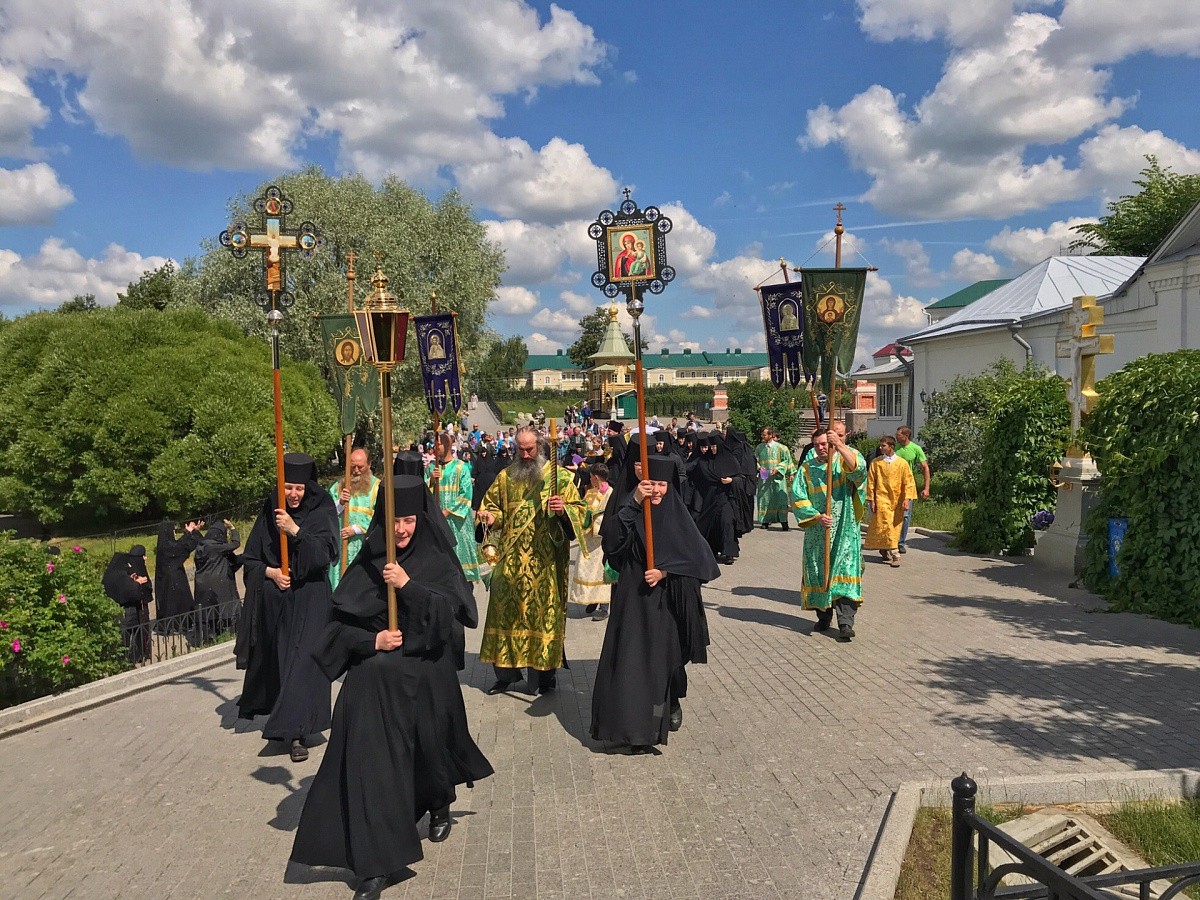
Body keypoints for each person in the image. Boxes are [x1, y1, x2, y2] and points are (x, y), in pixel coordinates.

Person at [290, 477, 492, 900]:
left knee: (430, 752)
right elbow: (336, 632)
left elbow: (450, 622)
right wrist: (373, 641)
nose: (401, 529)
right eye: (394, 520)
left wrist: (408, 587)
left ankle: (439, 802)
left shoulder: (437, 559)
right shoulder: (369, 561)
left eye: (409, 520)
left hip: (426, 676)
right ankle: (377, 862)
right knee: (371, 766)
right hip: (374, 685)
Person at [591, 454, 718, 753]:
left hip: (666, 604)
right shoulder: (633, 509)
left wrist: (665, 572)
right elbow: (612, 542)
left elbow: (699, 562)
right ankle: (633, 731)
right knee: (631, 664)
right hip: (633, 600)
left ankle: (667, 706)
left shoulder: (678, 516)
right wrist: (635, 501)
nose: (657, 490)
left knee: (662, 666)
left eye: (662, 484)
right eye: (651, 484)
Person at [237, 453, 338, 762]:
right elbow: (250, 560)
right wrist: (271, 573)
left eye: (299, 489)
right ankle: (291, 729)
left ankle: (298, 732)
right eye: (288, 488)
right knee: (284, 662)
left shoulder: (322, 508)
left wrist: (295, 530)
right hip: (280, 601)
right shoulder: (271, 509)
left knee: (305, 662)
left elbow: (324, 556)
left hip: (312, 597)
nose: (293, 495)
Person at [476, 427, 588, 695]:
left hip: (545, 563)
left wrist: (563, 511)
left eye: (530, 449)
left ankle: (543, 678)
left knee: (541, 618)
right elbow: (492, 508)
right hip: (511, 561)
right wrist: (489, 517)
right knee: (505, 615)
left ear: (540, 447)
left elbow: (581, 513)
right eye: (520, 449)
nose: (525, 455)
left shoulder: (560, 478)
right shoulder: (505, 477)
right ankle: (506, 675)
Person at [791, 428, 867, 642]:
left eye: (824, 443)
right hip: (818, 531)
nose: (820, 448)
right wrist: (816, 516)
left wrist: (840, 446)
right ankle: (823, 616)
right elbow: (797, 496)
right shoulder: (807, 468)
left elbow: (859, 472)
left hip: (844, 528)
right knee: (819, 571)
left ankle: (846, 623)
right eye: (816, 445)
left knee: (845, 569)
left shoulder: (845, 457)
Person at [427, 434, 481, 583]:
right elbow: (425, 493)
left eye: (438, 445)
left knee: (460, 561)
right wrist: (431, 480)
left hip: (458, 522)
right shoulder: (432, 467)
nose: (435, 448)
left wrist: (446, 511)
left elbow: (466, 494)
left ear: (447, 446)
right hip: (438, 520)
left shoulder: (461, 467)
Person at [330, 449, 381, 592]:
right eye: (353, 467)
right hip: (342, 547)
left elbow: (381, 517)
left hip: (364, 546)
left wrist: (356, 529)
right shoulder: (338, 487)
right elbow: (327, 515)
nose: (356, 471)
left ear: (369, 464)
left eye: (360, 466)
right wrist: (340, 503)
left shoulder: (378, 488)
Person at [569, 463, 613, 621]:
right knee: (586, 570)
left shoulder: (611, 493)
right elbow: (583, 509)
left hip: (600, 541)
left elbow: (609, 515)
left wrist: (595, 519)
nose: (590, 479)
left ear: (596, 477)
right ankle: (591, 600)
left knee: (601, 573)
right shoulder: (591, 492)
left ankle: (604, 607)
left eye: (591, 477)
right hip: (588, 540)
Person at [864, 436, 916, 568]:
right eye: (880, 446)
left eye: (884, 446)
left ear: (891, 447)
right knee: (886, 523)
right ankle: (895, 554)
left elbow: (908, 482)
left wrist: (907, 499)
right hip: (881, 498)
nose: (881, 448)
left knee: (893, 526)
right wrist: (871, 499)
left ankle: (884, 548)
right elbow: (871, 482)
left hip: (897, 500)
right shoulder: (876, 463)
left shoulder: (902, 463)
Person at [690, 433, 741, 564]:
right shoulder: (705, 461)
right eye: (711, 446)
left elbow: (741, 478)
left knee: (726, 522)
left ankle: (728, 553)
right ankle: (711, 551)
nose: (712, 448)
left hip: (726, 498)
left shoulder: (729, 459)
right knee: (711, 525)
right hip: (710, 498)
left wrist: (731, 480)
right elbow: (697, 476)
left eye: (715, 446)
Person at [103, 544, 152, 663]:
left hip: (120, 610)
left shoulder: (114, 574)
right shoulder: (121, 576)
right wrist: (137, 583)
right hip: (128, 611)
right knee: (127, 635)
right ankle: (130, 658)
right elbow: (132, 591)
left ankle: (131, 656)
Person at [194, 520, 241, 633]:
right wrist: (233, 529)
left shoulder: (200, 547)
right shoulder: (216, 547)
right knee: (225, 609)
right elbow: (236, 544)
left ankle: (207, 634)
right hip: (218, 581)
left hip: (201, 583)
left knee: (207, 612)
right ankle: (229, 631)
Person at [153, 519, 202, 621]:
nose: (175, 534)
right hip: (174, 583)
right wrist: (194, 533)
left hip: (168, 582)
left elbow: (179, 544)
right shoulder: (168, 548)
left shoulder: (164, 545)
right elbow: (184, 547)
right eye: (173, 531)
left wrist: (189, 533)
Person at [894, 426, 931, 554]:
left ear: (906, 436)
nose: (896, 437)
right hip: (893, 485)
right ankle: (890, 540)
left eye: (899, 435)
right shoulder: (894, 448)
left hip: (908, 485)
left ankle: (900, 542)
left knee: (905, 515)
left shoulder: (916, 448)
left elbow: (925, 468)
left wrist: (926, 488)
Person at [755, 427, 795, 530]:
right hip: (764, 477)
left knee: (780, 499)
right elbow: (755, 460)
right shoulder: (759, 447)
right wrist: (759, 467)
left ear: (771, 435)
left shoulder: (782, 448)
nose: (762, 437)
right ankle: (765, 520)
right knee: (764, 498)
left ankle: (783, 521)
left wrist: (779, 469)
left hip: (778, 478)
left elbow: (787, 460)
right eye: (762, 434)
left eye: (764, 435)